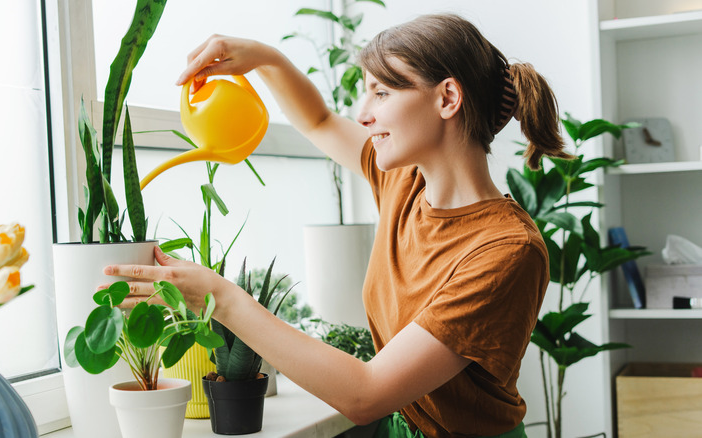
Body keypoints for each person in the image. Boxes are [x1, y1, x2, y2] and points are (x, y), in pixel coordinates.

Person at [104, 13, 572, 438]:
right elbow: (319, 119)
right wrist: (263, 57)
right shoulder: (403, 183)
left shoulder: (507, 249)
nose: (364, 113)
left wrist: (220, 298)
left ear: (447, 97)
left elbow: (366, 395)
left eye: (382, 92)